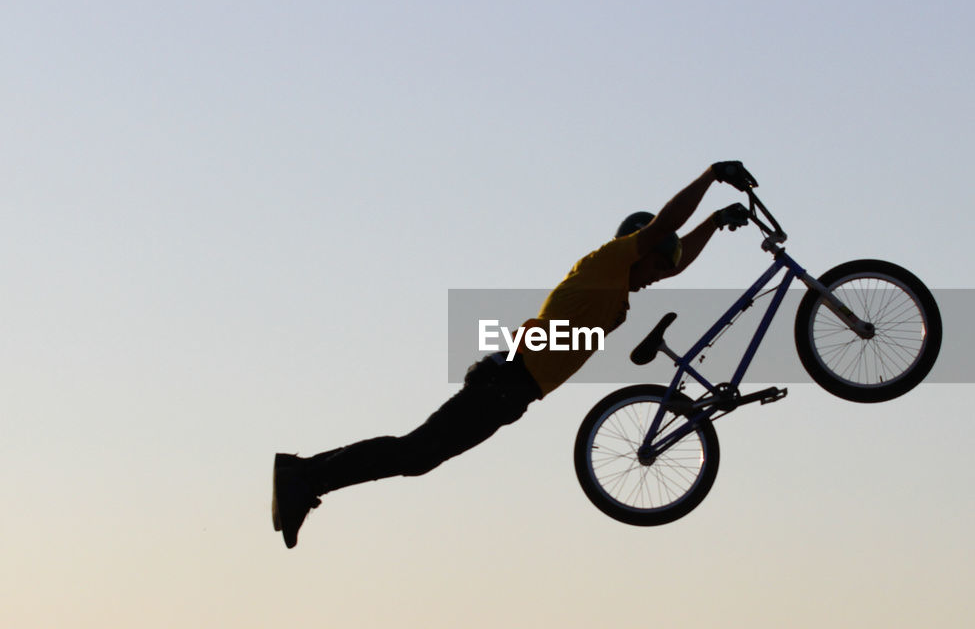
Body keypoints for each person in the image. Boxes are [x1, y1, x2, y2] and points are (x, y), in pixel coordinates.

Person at [272, 160, 759, 548]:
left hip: (512, 392)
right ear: (641, 247)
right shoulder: (608, 261)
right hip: (505, 381)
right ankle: (305, 476)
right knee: (415, 453)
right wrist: (712, 177)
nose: (665, 272)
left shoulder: (619, 291)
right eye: (661, 258)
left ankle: (305, 475)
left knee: (418, 455)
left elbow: (674, 260)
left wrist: (716, 222)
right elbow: (665, 226)